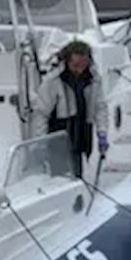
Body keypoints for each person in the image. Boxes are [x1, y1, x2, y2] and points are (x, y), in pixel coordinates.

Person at [32, 39, 109, 177]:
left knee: (77, 172)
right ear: (67, 62)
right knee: (60, 178)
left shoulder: (93, 80)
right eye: (76, 65)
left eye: (84, 64)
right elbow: (41, 113)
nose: (80, 69)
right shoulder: (53, 81)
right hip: (59, 134)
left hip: (81, 134)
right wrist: (40, 142)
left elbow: (100, 107)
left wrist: (102, 134)